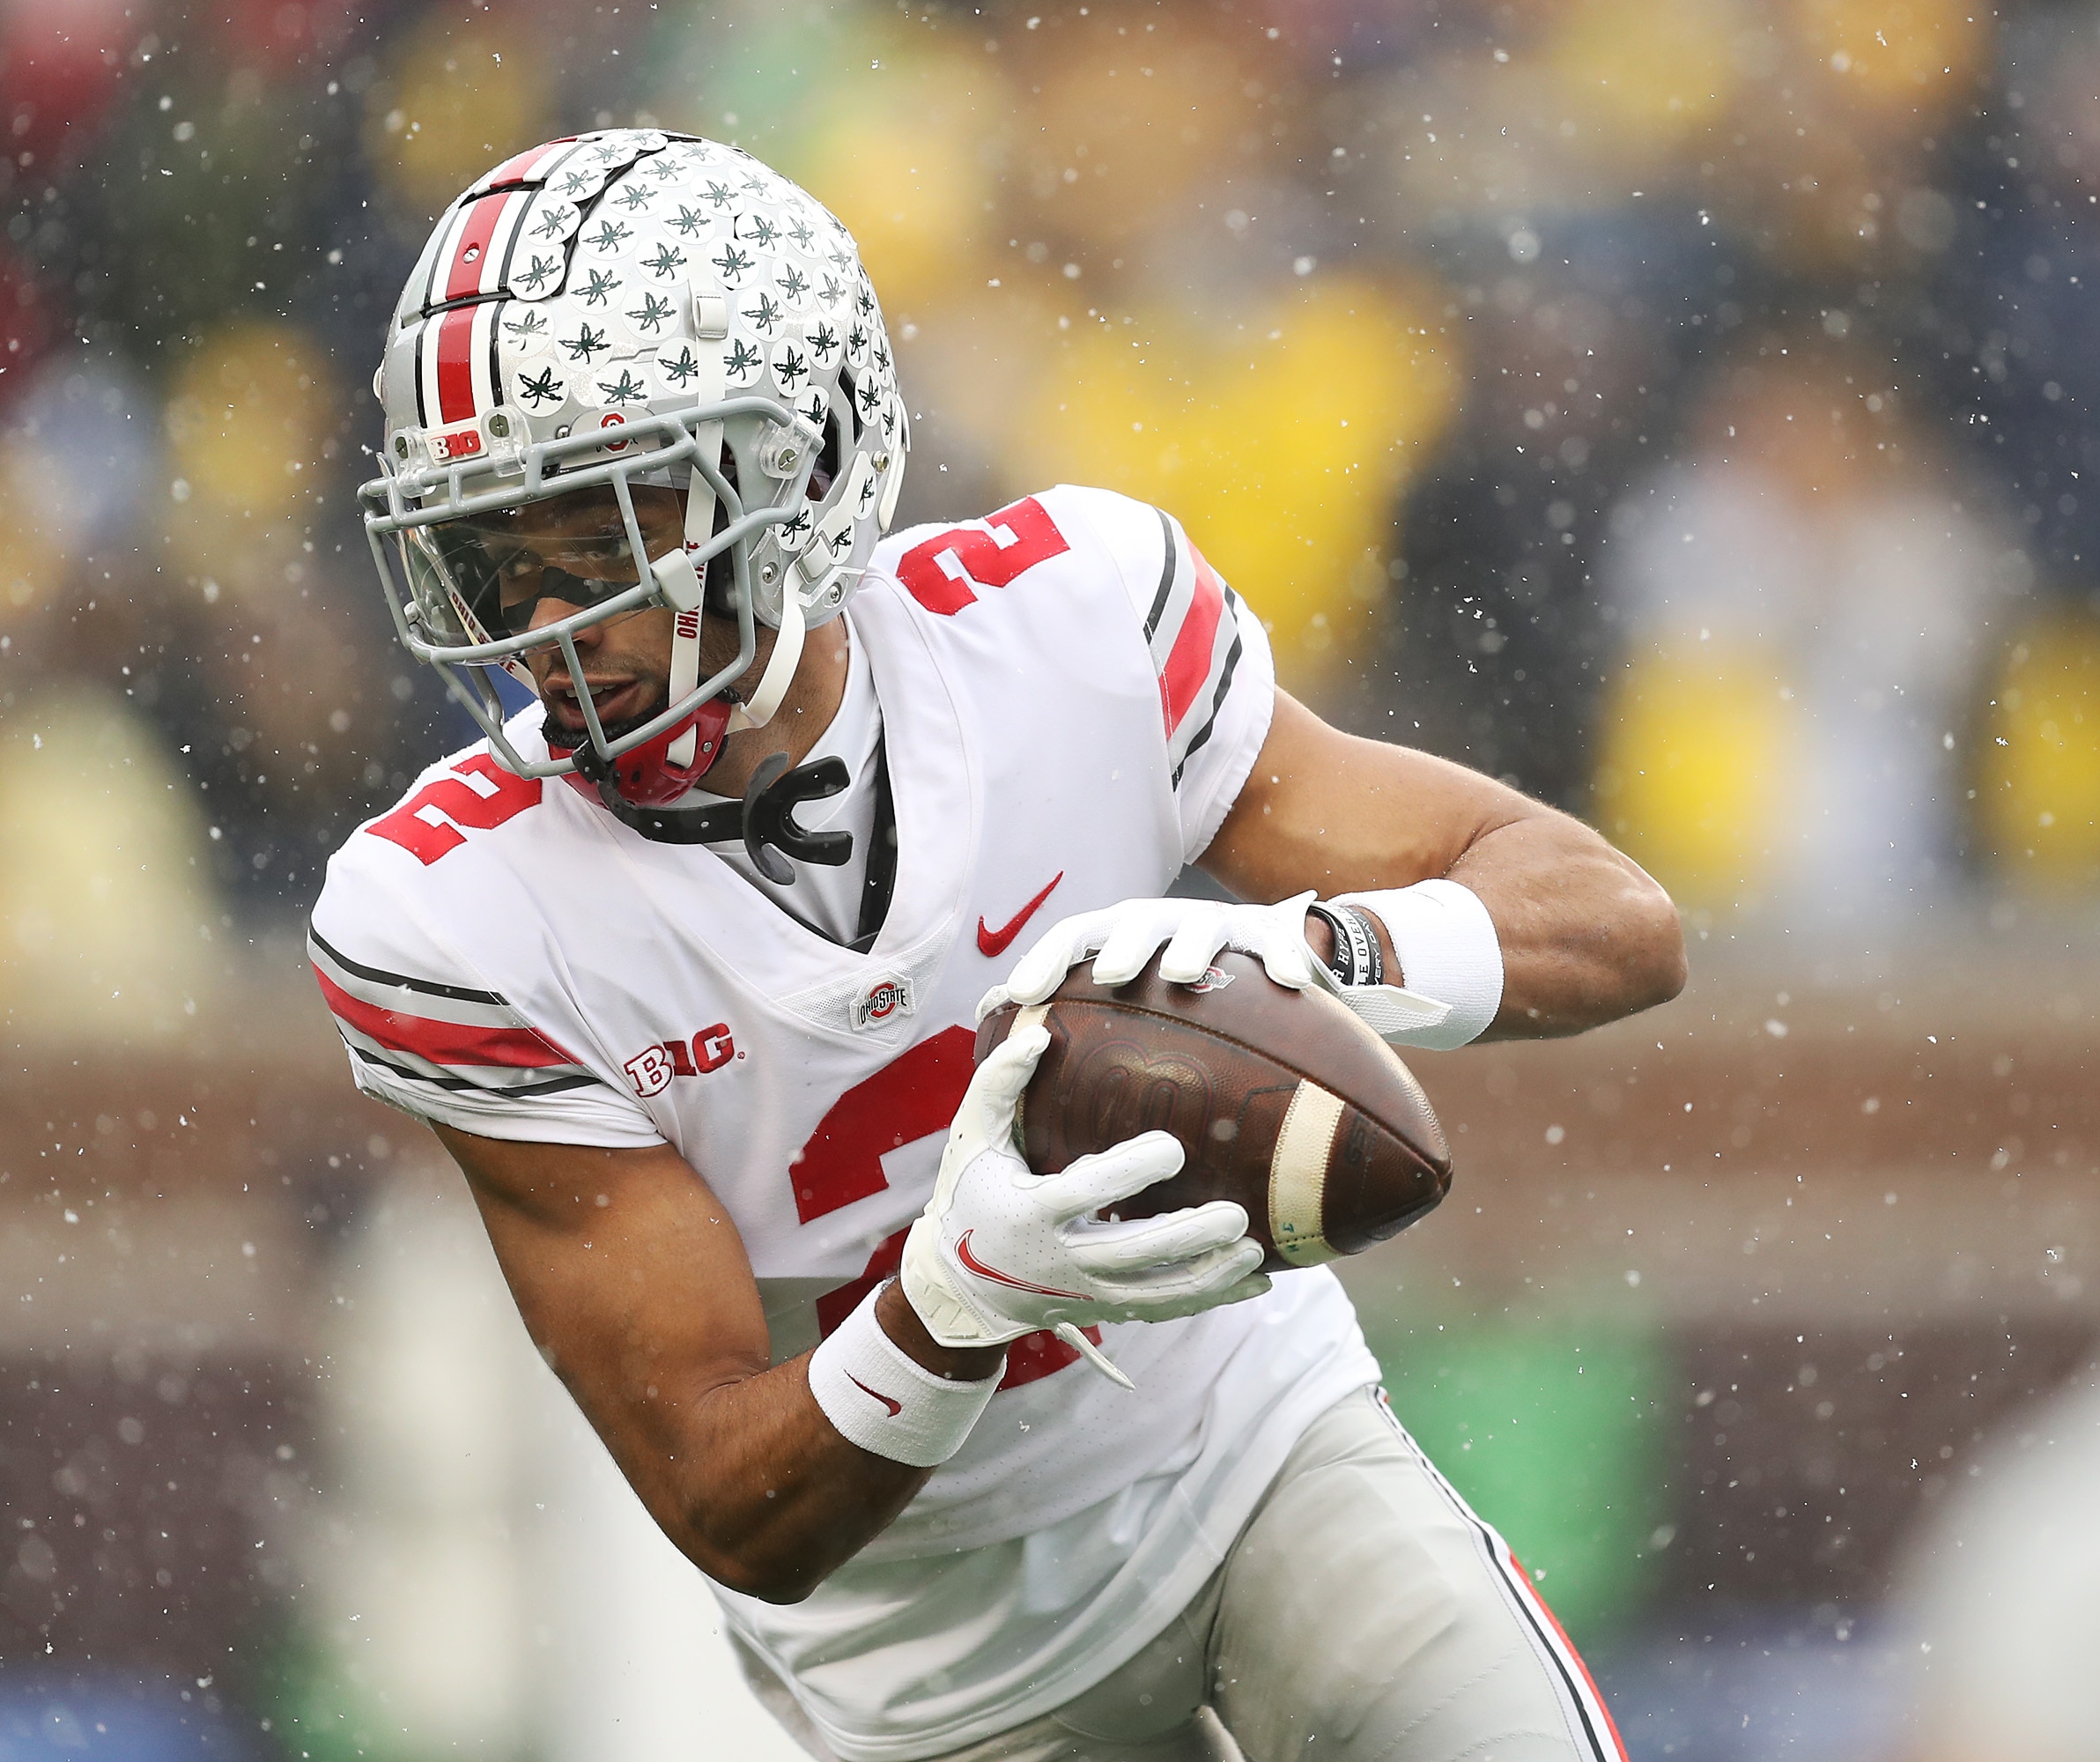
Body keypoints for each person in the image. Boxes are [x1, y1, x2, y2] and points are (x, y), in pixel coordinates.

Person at [309, 130, 1684, 1762]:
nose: (549, 630)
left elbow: (1615, 923)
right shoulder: (453, 919)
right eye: (495, 560)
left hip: (1257, 1464)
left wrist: (1319, 956)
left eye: (605, 542)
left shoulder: (1067, 624)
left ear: (799, 468)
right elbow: (726, 1501)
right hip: (940, 1680)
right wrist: (952, 1296)